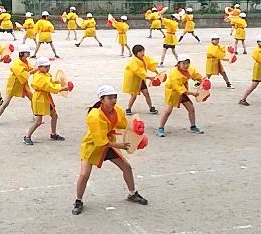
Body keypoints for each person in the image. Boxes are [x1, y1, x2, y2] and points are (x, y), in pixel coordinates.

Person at [72, 85, 148, 215]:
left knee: (127, 167)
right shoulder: (95, 116)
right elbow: (100, 142)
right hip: (93, 146)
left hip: (109, 143)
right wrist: (121, 145)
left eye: (115, 97)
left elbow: (123, 125)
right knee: (84, 174)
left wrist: (136, 132)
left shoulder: (116, 110)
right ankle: (78, 200)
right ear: (102, 99)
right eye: (110, 98)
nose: (113, 100)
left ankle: (132, 193)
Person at [23, 57, 73, 145]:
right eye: (45, 66)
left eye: (48, 66)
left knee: (54, 115)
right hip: (39, 99)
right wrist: (65, 88)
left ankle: (53, 134)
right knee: (38, 122)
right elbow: (51, 88)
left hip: (45, 98)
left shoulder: (41, 74)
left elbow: (49, 82)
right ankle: (27, 136)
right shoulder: (40, 78)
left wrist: (57, 81)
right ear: (40, 67)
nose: (48, 68)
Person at [158, 54, 205, 137]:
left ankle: (193, 126)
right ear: (179, 63)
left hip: (183, 91)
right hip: (173, 92)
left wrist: (202, 80)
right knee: (167, 111)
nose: (186, 65)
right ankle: (161, 128)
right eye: (184, 63)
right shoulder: (174, 74)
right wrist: (193, 93)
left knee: (191, 108)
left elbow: (195, 75)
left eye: (188, 63)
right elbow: (180, 89)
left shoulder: (189, 69)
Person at [0, 44, 37, 127]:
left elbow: (29, 68)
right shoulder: (17, 63)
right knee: (6, 103)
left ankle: (35, 115)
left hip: (23, 84)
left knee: (33, 98)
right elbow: (23, 74)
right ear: (22, 53)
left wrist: (36, 68)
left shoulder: (26, 61)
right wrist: (33, 71)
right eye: (27, 52)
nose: (28, 53)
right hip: (15, 83)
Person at [123, 44, 159, 115]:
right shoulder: (134, 62)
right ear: (136, 54)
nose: (142, 53)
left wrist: (157, 72)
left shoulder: (144, 58)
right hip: (134, 81)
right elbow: (139, 72)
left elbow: (150, 64)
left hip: (141, 80)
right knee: (133, 96)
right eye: (140, 52)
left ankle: (151, 107)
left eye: (143, 51)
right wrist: (150, 77)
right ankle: (128, 108)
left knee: (146, 93)